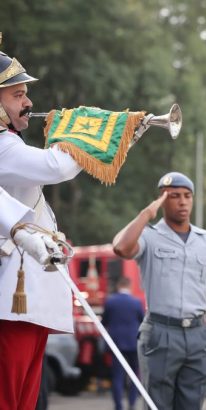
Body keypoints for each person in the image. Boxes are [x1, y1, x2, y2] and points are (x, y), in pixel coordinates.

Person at [0, 50, 82, 409]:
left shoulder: (11, 144)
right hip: (10, 300)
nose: (28, 102)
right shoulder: (2, 147)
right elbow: (57, 166)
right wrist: (92, 133)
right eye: (17, 95)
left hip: (26, 302)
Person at [112, 171, 206, 410]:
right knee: (157, 406)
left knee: (192, 405)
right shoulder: (149, 238)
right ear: (163, 199)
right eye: (174, 196)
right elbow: (121, 247)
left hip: (196, 336)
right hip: (160, 333)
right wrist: (147, 213)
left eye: (187, 196)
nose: (183, 201)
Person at [101, 276, 144, 410]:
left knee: (117, 376)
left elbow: (104, 322)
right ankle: (132, 404)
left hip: (116, 344)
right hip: (133, 343)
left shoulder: (110, 301)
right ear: (129, 286)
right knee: (134, 376)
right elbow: (142, 321)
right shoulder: (136, 302)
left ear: (118, 286)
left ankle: (118, 406)